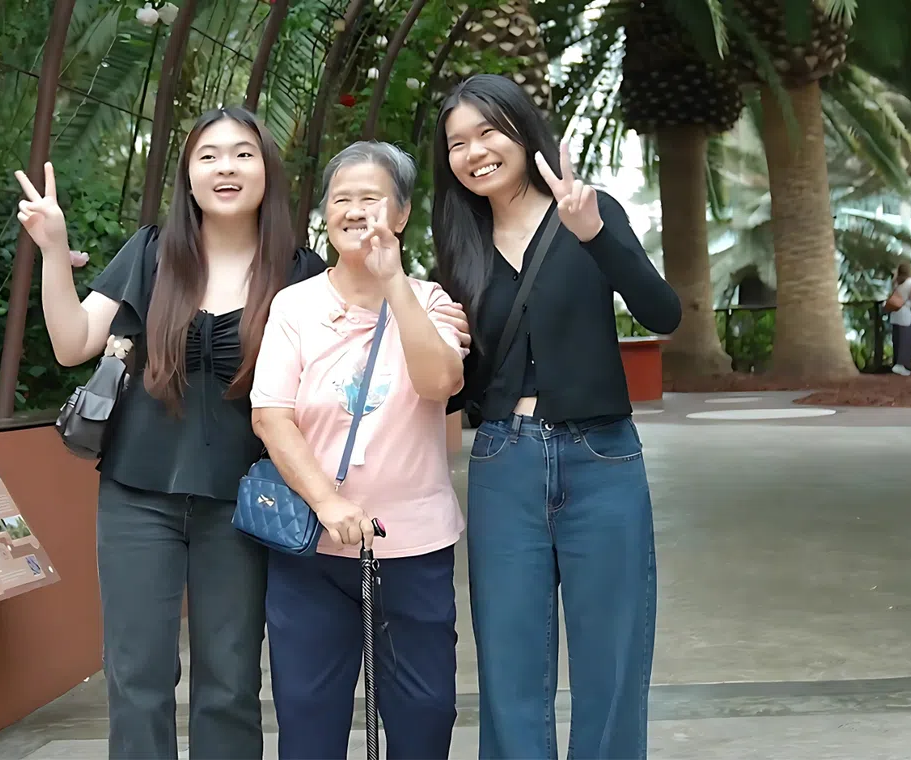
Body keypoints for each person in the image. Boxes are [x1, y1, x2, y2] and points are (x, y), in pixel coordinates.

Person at [431, 74, 682, 759]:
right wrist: (445, 344)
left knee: (613, 659)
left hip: (601, 457)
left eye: (488, 132)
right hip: (504, 460)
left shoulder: (587, 211)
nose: (475, 151)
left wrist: (596, 234)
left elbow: (663, 314)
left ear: (522, 129)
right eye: (457, 142)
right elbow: (460, 391)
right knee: (511, 667)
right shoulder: (460, 243)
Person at [249, 141, 470, 760]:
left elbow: (441, 385)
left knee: (424, 717)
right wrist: (326, 502)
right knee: (309, 724)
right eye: (340, 199)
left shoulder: (429, 304)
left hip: (414, 549)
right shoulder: (295, 305)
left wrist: (394, 281)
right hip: (310, 553)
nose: (353, 211)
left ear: (400, 215)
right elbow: (271, 416)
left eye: (370, 199)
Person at [886, 262, 911, 375]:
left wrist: (895, 275)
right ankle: (902, 365)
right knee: (906, 340)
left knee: (898, 341)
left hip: (895, 315)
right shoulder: (910, 282)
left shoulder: (896, 283)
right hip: (905, 314)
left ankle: (897, 363)